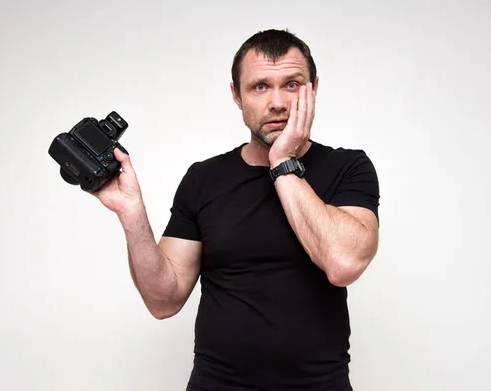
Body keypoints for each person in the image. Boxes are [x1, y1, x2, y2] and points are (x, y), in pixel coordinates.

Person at [93, 29, 380, 391]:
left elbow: (343, 264)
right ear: (236, 95)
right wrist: (131, 213)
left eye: (292, 84)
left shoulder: (348, 167)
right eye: (260, 86)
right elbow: (163, 301)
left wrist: (283, 162)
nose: (277, 102)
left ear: (314, 89)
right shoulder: (204, 179)